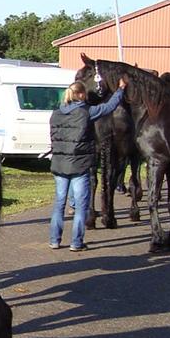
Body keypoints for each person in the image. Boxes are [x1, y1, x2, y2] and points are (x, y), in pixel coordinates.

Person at [48, 77, 127, 252]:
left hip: (60, 163)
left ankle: (54, 240)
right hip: (80, 164)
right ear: (82, 95)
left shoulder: (55, 113)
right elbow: (108, 107)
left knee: (59, 203)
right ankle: (76, 242)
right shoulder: (86, 112)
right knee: (81, 206)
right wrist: (120, 90)